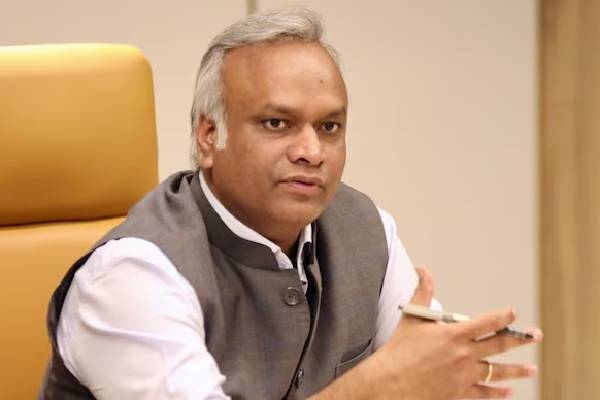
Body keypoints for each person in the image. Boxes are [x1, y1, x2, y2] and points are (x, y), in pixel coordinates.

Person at [40, 8, 542, 400]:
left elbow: (422, 374)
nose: (311, 151)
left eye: (329, 127)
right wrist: (377, 386)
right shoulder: (133, 275)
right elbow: (391, 382)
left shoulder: (367, 230)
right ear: (210, 136)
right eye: (277, 123)